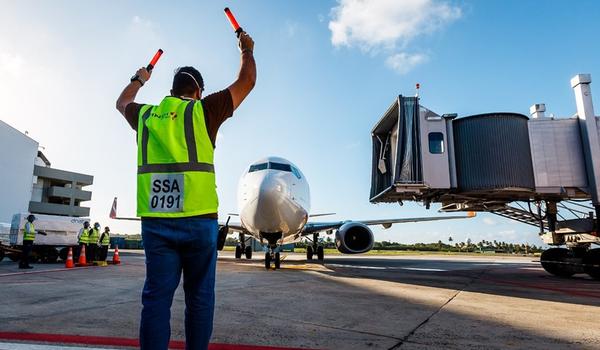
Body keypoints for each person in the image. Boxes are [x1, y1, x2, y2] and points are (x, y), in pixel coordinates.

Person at [116, 29, 256, 350]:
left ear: (172, 90)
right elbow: (247, 81)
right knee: (200, 299)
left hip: (156, 221)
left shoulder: (148, 116)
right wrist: (246, 49)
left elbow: (122, 102)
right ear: (198, 91)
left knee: (155, 300)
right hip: (199, 220)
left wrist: (139, 79)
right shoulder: (204, 110)